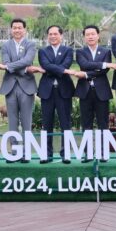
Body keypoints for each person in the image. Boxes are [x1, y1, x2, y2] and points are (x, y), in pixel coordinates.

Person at [73, 25, 116, 149]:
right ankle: (87, 151)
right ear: (84, 37)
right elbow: (84, 64)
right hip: (85, 91)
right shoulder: (80, 52)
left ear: (98, 36)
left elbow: (104, 71)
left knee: (103, 123)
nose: (90, 37)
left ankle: (103, 151)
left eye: (93, 34)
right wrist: (104, 64)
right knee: (86, 123)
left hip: (102, 91)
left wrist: (85, 74)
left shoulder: (106, 51)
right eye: (87, 35)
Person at [32, 25, 75, 163]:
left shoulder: (68, 50)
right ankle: (46, 154)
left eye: (55, 34)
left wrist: (50, 69)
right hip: (47, 91)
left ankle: (65, 153)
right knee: (46, 124)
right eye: (50, 34)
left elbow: (66, 65)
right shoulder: (43, 51)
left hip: (64, 91)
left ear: (61, 35)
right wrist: (58, 69)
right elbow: (45, 64)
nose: (52, 36)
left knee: (65, 123)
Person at [0, 18, 37, 161]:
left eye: (20, 27)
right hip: (10, 86)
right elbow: (5, 62)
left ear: (25, 30)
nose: (17, 30)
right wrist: (23, 69)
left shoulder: (31, 44)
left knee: (26, 121)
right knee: (12, 121)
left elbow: (27, 60)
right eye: (14, 28)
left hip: (26, 86)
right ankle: (14, 152)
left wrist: (11, 67)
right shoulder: (6, 46)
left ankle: (26, 153)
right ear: (11, 30)